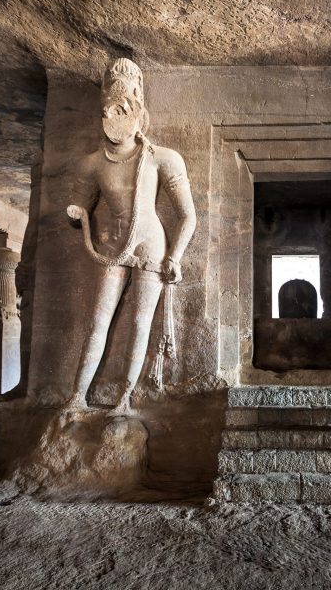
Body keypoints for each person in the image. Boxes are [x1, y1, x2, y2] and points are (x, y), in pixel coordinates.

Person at [66, 58, 196, 411]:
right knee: (98, 320)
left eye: (125, 106)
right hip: (111, 245)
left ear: (138, 108)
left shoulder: (162, 158)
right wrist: (77, 214)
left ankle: (124, 398)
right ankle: (77, 395)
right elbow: (78, 206)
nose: (116, 113)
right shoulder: (92, 163)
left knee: (140, 325)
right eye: (111, 108)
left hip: (150, 245)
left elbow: (188, 216)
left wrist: (175, 256)